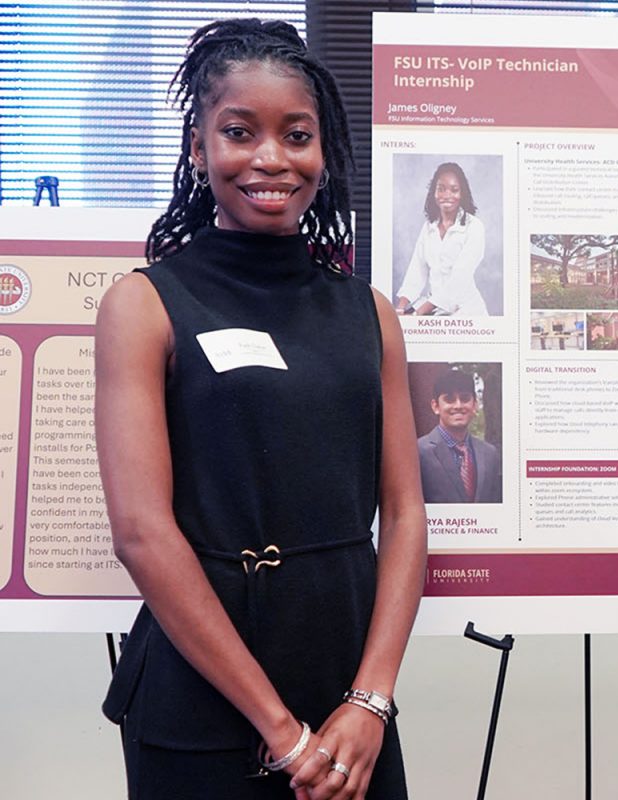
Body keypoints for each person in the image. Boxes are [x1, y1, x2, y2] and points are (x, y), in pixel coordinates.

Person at [95, 19, 427, 800]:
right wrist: (281, 731)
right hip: (203, 697)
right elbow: (141, 533)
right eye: (239, 133)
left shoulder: (369, 312)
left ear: (324, 153)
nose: (271, 159)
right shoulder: (143, 304)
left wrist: (370, 701)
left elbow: (406, 513)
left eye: (297, 135)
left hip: (350, 696)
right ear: (198, 148)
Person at [394, 162, 489, 316]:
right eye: (441, 189)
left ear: (462, 193)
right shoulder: (428, 227)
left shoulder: (474, 227)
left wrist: (418, 313)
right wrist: (400, 307)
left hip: (466, 311)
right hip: (434, 309)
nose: (447, 195)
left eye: (454, 190)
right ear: (434, 192)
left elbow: (460, 277)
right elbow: (417, 270)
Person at [416, 369, 501, 503]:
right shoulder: (418, 451)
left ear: (475, 405)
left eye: (465, 398)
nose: (458, 405)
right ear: (435, 406)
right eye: (449, 399)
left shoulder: (489, 454)